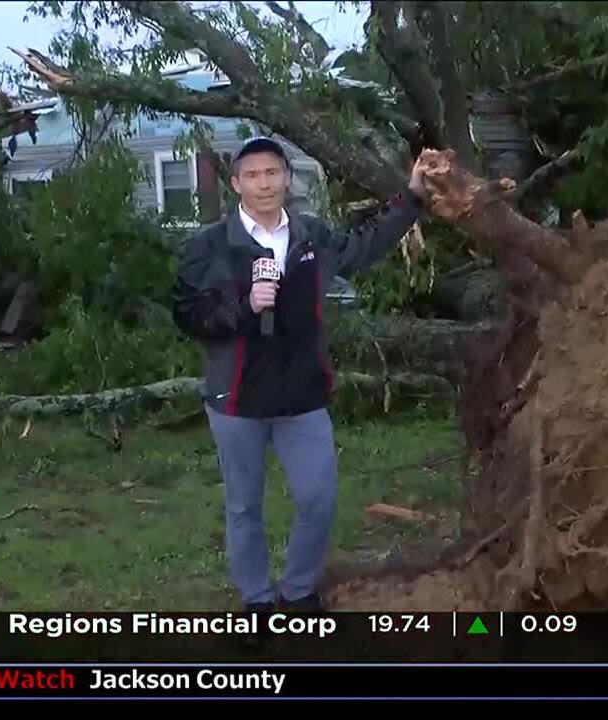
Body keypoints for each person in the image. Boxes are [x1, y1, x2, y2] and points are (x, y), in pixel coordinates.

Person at [171, 136, 428, 611]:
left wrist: (411, 198)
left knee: (318, 499)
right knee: (244, 507)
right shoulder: (209, 246)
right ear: (236, 184)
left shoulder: (311, 236)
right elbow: (187, 315)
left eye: (272, 173)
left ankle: (298, 590)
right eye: (252, 175)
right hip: (237, 402)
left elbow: (365, 246)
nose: (263, 183)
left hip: (302, 396)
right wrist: (244, 307)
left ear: (287, 179)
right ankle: (258, 600)